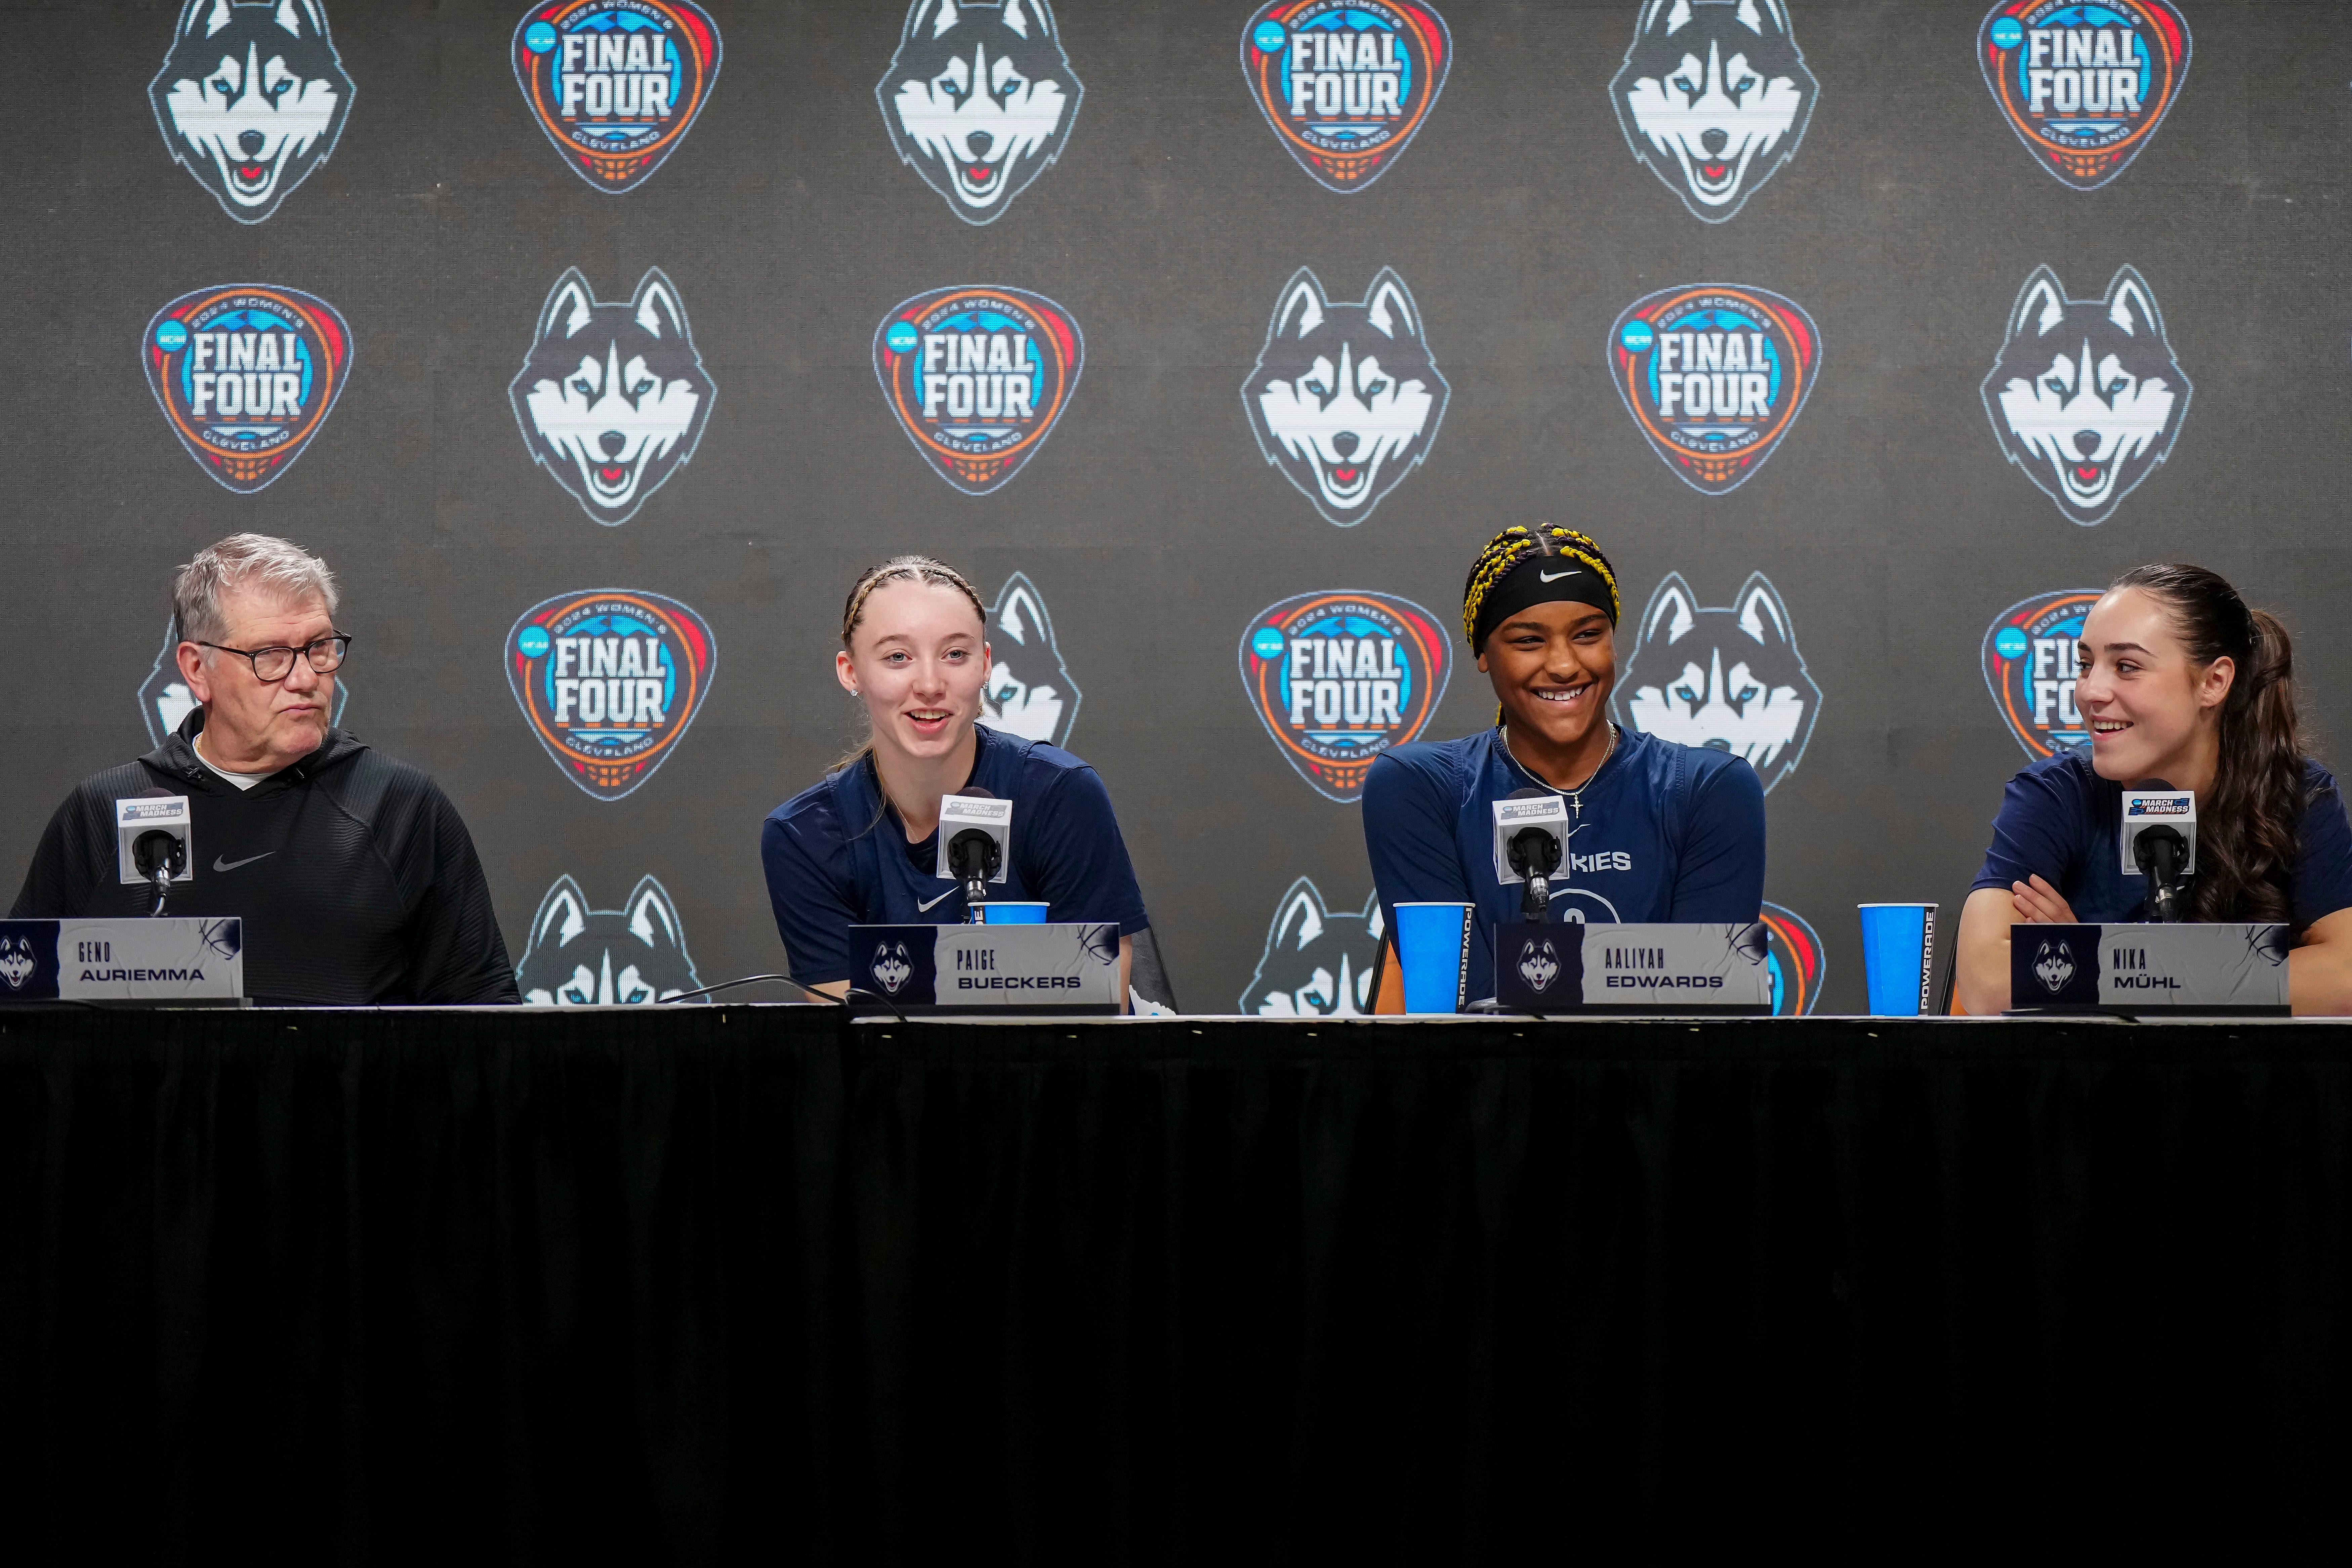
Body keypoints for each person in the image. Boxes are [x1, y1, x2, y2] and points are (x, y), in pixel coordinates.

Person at [11, 534, 517, 1005]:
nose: (305, 679)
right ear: (195, 669)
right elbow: (24, 1001)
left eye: (319, 648)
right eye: (271, 655)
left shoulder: (399, 808)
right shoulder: (104, 813)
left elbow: (482, 1016)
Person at [1362, 525, 1767, 1005]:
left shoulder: (1710, 790)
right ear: (1483, 654)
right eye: (1529, 640)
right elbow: (1459, 1007)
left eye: (1588, 635)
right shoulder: (1419, 788)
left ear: (1614, 641)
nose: (1563, 665)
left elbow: (1707, 1001)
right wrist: (1636, 973)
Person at [761, 555, 1168, 1008]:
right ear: (850, 671)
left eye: (955, 654)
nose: (931, 684)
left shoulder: (1061, 794)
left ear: (986, 664)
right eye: (898, 657)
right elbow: (854, 1035)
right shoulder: (804, 836)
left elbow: (1096, 1002)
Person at [1956, 564, 2352, 1016]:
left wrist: (2089, 954)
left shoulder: (2295, 793)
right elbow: (1987, 980)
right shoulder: (2054, 796)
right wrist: (2222, 974)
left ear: (2214, 682)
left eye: (2127, 667)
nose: (2090, 691)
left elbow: (2344, 975)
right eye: (2086, 664)